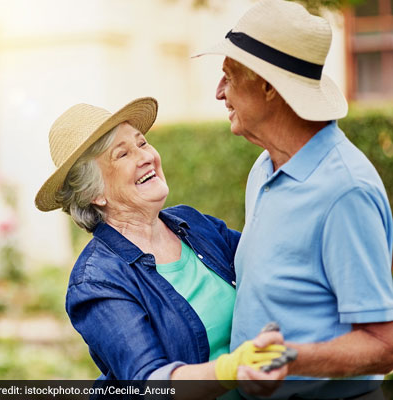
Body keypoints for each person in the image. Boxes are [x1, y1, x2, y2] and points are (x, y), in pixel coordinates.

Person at [196, 0, 393, 397]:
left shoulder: (345, 192)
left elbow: (384, 343)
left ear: (269, 87)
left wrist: (288, 359)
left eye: (229, 77)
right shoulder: (263, 168)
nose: (219, 93)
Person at [35, 97, 289, 398]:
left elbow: (270, 261)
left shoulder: (193, 224)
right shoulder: (95, 281)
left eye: (142, 144)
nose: (145, 157)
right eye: (123, 154)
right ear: (96, 193)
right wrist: (230, 370)